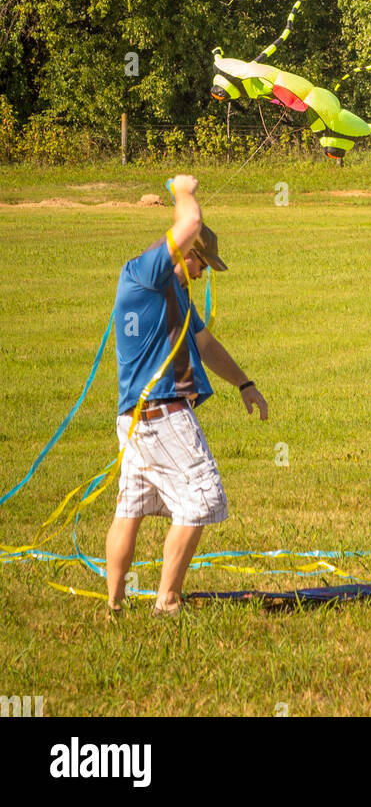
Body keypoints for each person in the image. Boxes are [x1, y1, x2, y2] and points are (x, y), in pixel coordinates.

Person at [105, 174, 268, 615]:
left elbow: (205, 344)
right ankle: (168, 600)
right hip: (161, 413)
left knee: (132, 505)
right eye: (202, 264)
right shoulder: (146, 274)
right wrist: (184, 189)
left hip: (137, 419)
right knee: (203, 498)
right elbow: (191, 221)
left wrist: (245, 384)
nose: (203, 272)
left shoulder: (173, 291)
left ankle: (114, 605)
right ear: (187, 255)